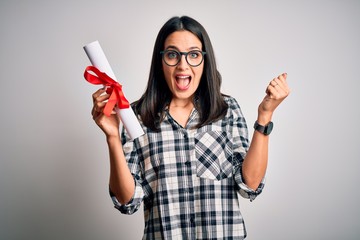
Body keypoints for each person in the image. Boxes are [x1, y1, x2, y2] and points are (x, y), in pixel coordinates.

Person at [91, 16, 290, 239]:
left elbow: (250, 185)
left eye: (193, 54)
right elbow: (127, 201)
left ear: (205, 61)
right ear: (161, 61)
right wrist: (112, 137)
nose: (183, 65)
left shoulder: (227, 110)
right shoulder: (136, 116)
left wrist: (265, 115)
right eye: (172, 54)